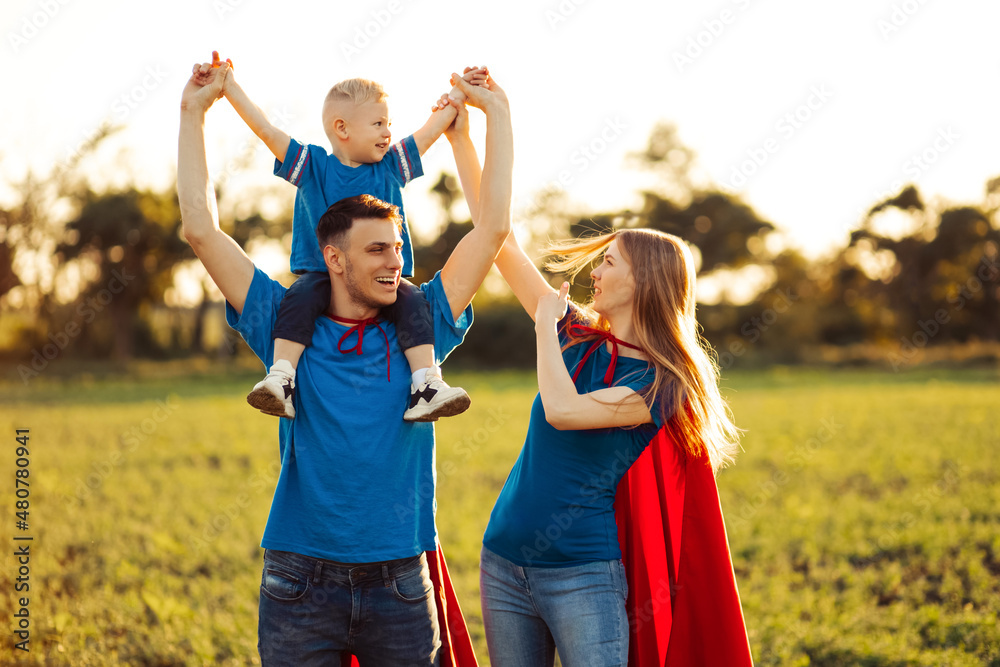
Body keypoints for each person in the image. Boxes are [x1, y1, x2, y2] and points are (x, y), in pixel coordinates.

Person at [178, 58, 511, 665]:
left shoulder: (424, 323)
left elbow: (491, 229)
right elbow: (201, 229)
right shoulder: (283, 321)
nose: (396, 261)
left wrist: (497, 117)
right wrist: (194, 112)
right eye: (378, 249)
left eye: (398, 246)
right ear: (333, 258)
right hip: (297, 580)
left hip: (403, 582)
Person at [422, 110, 751, 663]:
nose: (594, 273)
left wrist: (547, 328)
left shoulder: (656, 385)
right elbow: (498, 239)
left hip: (583, 576)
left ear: (642, 281)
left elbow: (564, 411)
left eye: (608, 263)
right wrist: (465, 140)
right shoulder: (578, 335)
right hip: (502, 562)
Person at [218, 50, 488, 421]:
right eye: (378, 124)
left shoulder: (392, 166)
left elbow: (431, 129)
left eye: (389, 123)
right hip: (320, 275)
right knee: (299, 301)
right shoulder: (313, 166)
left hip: (384, 279)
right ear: (342, 129)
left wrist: (460, 92)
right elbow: (267, 130)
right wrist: (230, 87)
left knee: (413, 305)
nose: (388, 132)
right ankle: (281, 378)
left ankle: (426, 383)